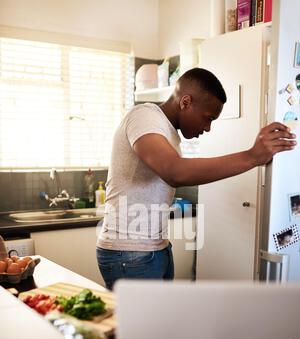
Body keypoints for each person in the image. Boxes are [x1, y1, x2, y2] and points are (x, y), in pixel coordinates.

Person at [96, 68, 297, 290]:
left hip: (153, 249)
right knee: (144, 325)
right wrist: (252, 156)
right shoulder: (144, 117)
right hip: (130, 253)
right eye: (207, 118)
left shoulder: (166, 130)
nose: (208, 128)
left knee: (156, 324)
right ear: (185, 102)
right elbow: (175, 172)